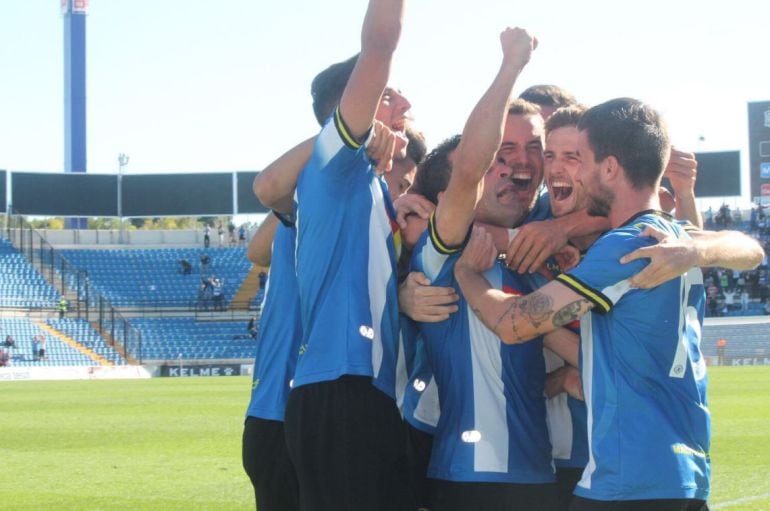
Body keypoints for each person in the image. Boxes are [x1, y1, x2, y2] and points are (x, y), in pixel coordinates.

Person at [453, 98, 764, 510]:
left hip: (628, 478)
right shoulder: (675, 234)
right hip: (686, 477)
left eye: (581, 160)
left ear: (610, 168)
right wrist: (695, 251)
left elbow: (514, 324)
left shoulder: (623, 246)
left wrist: (467, 275)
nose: (572, 174)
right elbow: (751, 249)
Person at [276, 0, 416, 508]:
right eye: (390, 97)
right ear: (354, 104)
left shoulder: (370, 185)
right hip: (341, 388)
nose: (405, 106)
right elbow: (379, 45)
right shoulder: (336, 163)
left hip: (364, 390)